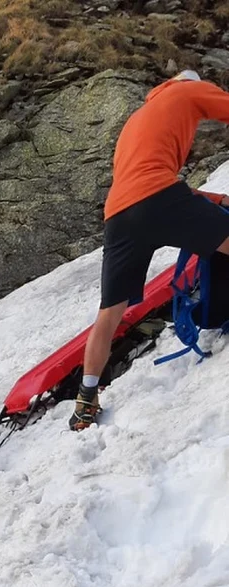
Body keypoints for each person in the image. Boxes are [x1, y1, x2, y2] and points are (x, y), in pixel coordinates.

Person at [70, 69, 229, 431]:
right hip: (160, 198)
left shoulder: (137, 120)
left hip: (119, 216)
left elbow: (145, 183)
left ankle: (85, 401)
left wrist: (217, 198)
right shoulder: (187, 92)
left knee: (109, 313)